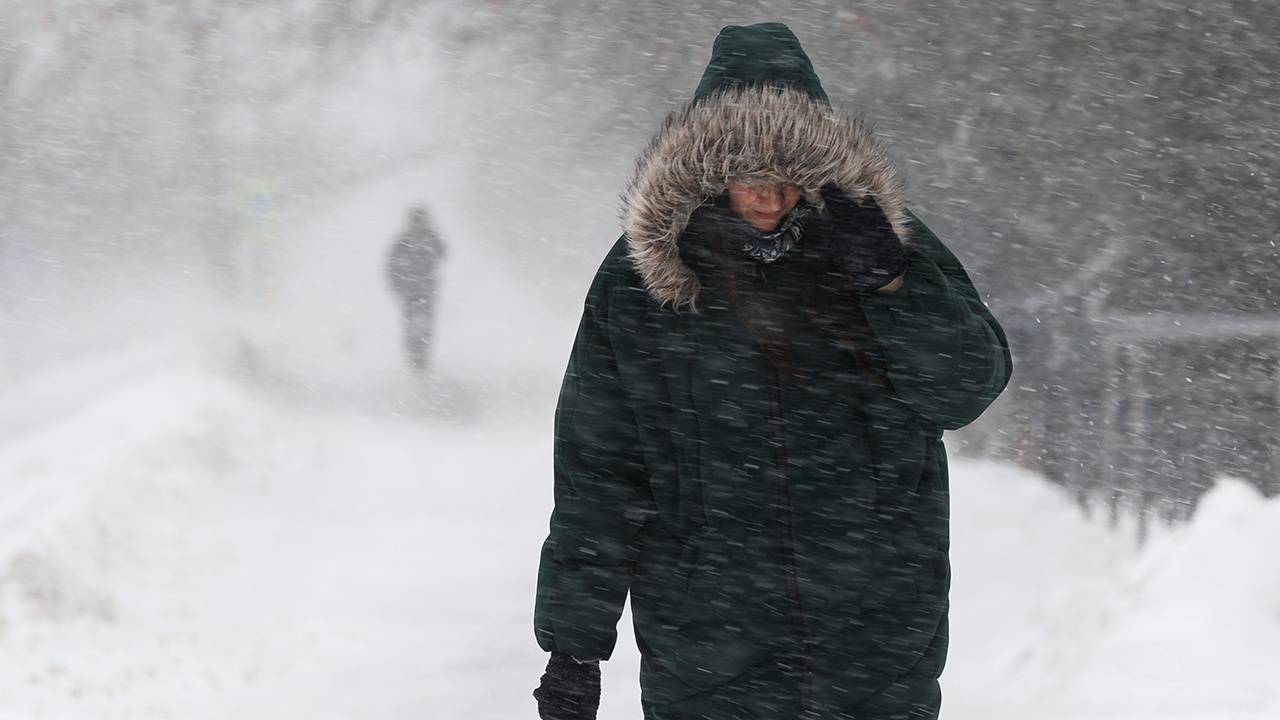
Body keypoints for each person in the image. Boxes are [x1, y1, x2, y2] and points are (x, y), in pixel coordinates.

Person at [533, 23, 1012, 720]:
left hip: (875, 641)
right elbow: (601, 471)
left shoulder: (884, 243)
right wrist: (573, 647)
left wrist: (893, 285)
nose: (770, 196)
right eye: (748, 175)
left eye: (788, 175)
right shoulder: (642, 282)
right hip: (708, 650)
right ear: (708, 171)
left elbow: (967, 388)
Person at [386, 204, 446, 373]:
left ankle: (418, 355)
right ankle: (417, 355)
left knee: (418, 324)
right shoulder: (415, 239)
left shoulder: (407, 240)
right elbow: (443, 252)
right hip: (418, 289)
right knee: (418, 324)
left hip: (417, 289)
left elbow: (391, 266)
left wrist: (398, 284)